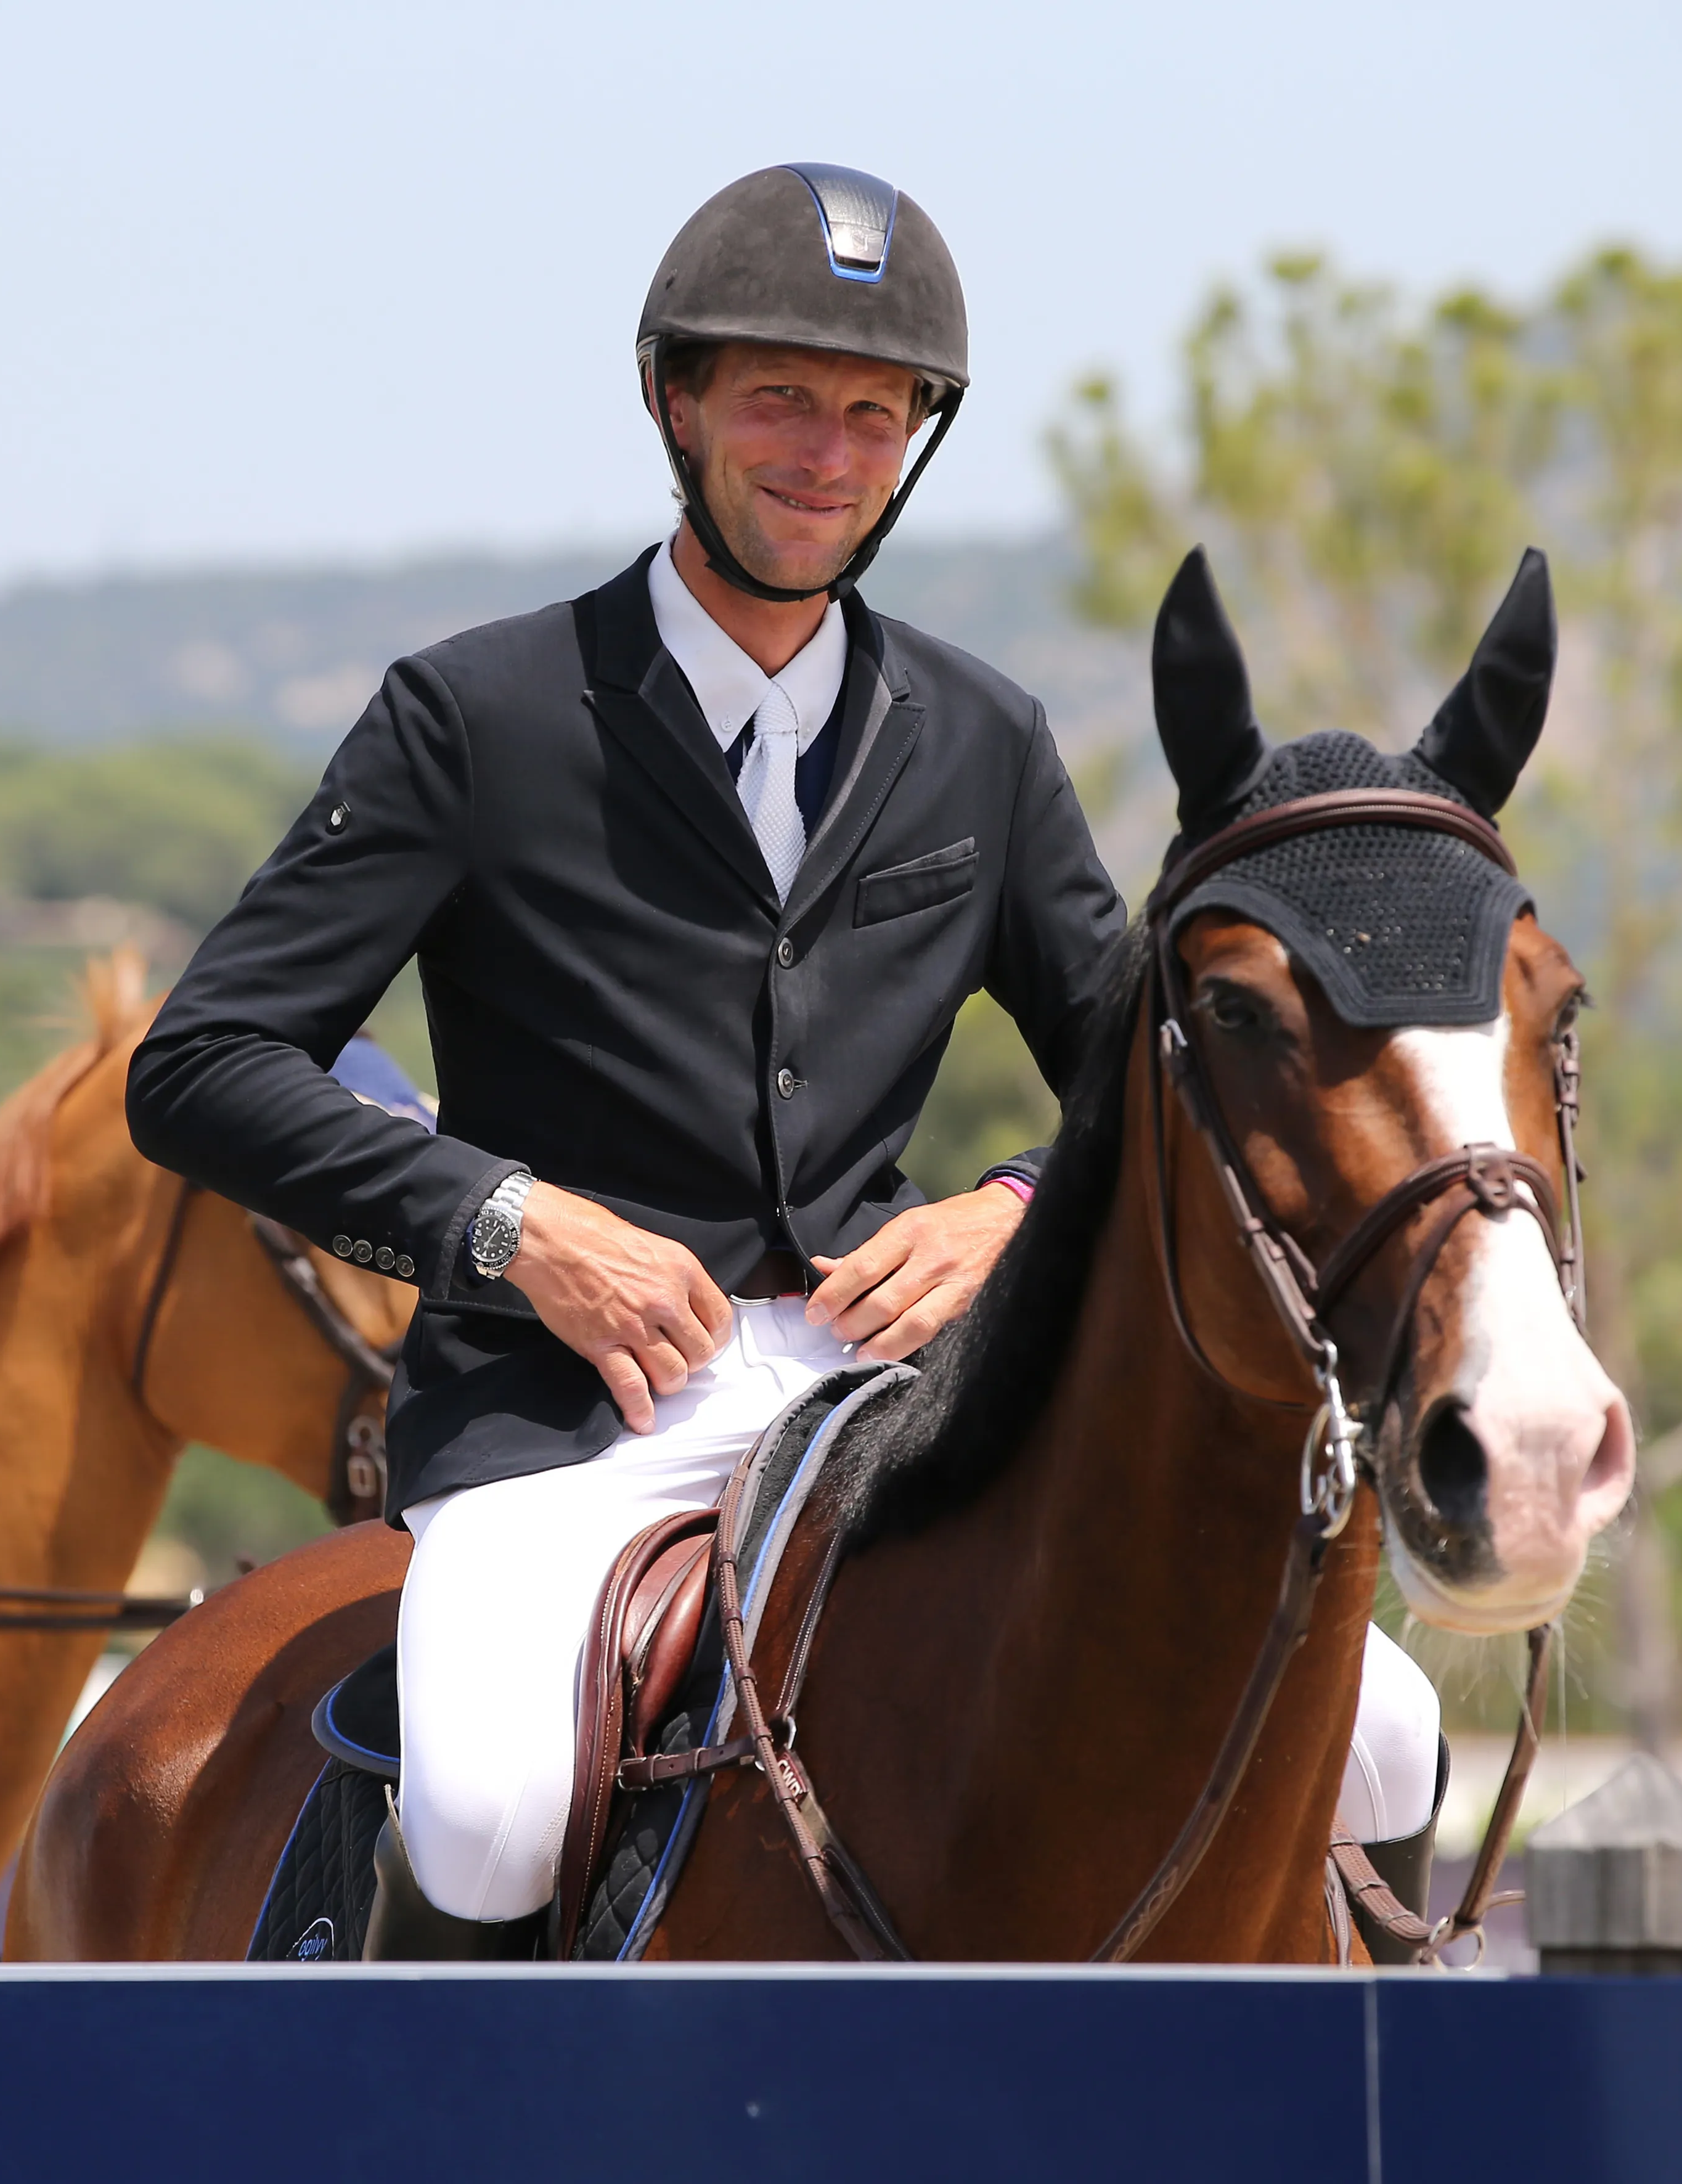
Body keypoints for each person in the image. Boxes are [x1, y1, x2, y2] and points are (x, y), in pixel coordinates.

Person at [129, 166, 1442, 1957]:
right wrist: (517, 1226)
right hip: (562, 1417)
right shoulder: (477, 715)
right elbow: (202, 1062)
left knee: (1383, 1727)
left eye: (873, 414)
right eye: (779, 399)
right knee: (493, 1790)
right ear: (676, 401)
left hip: (900, 1402)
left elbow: (1157, 1080)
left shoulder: (978, 735)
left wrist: (1011, 1209)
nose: (827, 453)